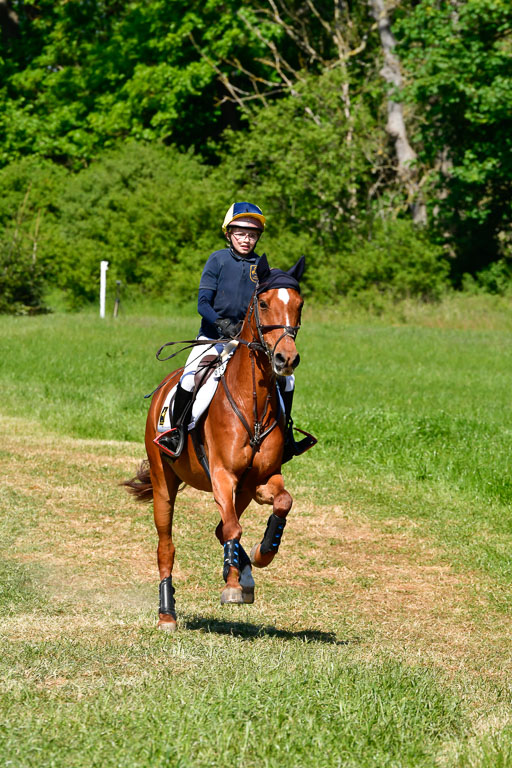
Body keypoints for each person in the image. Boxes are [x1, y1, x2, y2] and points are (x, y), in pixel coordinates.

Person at [157, 201, 313, 461]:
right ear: (228, 234)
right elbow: (202, 303)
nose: (246, 239)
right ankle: (176, 433)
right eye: (240, 233)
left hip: (247, 342)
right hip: (213, 337)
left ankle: (286, 437)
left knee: (289, 379)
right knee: (189, 378)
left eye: (252, 235)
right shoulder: (217, 260)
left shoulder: (261, 268)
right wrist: (221, 324)